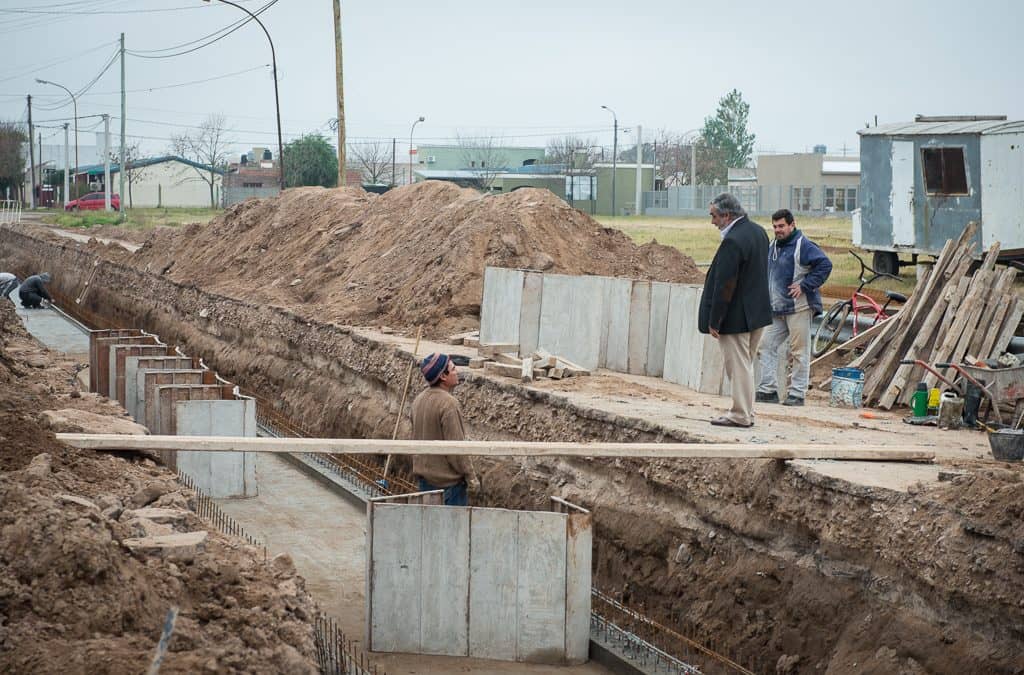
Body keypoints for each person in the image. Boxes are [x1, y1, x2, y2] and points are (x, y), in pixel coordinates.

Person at [698, 193, 772, 428]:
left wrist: (715, 320)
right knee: (745, 366)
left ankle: (740, 414)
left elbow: (725, 284)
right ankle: (747, 412)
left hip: (737, 316)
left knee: (738, 367)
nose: (712, 222)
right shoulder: (758, 232)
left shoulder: (733, 241)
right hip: (757, 312)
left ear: (727, 215)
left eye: (714, 216)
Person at [756, 209, 833, 407]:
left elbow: (825, 265)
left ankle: (797, 394)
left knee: (799, 351)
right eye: (775, 226)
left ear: (792, 225)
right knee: (765, 345)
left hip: (799, 308)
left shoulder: (803, 245)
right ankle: (768, 390)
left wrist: (804, 285)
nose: (777, 230)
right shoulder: (772, 246)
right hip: (776, 309)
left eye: (781, 226)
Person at [410, 352, 479, 506]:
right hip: (449, 489)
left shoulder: (418, 401)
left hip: (425, 484)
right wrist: (471, 478)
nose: (457, 372)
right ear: (443, 376)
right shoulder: (449, 404)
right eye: (453, 369)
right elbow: (456, 450)